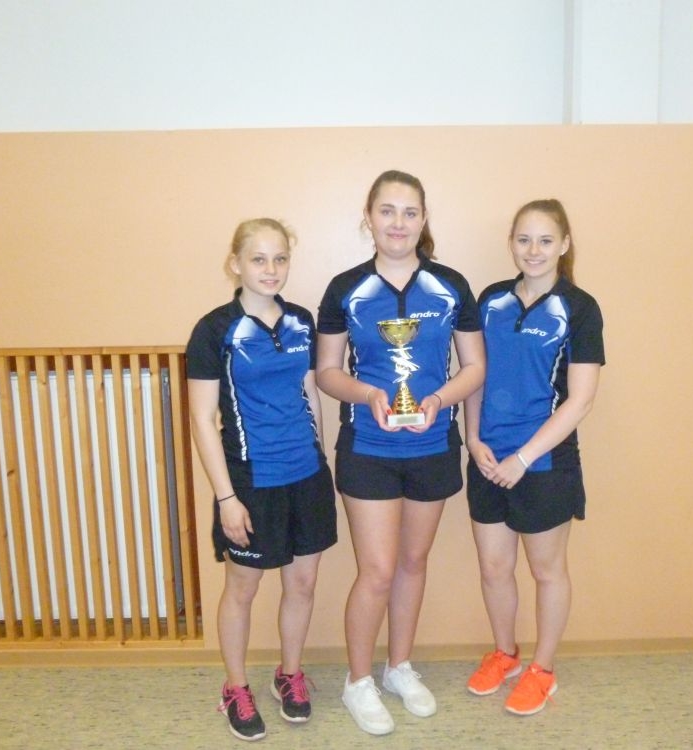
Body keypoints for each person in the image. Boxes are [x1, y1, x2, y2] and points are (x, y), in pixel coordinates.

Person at [316, 170, 485, 735]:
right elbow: (327, 372)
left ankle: (398, 667)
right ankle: (358, 680)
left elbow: (474, 367)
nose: (398, 223)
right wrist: (368, 395)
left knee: (414, 563)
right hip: (368, 447)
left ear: (423, 218)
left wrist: (437, 400)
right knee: (378, 571)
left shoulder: (451, 285)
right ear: (369, 217)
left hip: (433, 444)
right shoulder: (345, 288)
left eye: (410, 212)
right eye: (387, 211)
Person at [186, 218, 337, 742]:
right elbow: (203, 418)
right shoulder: (214, 330)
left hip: (306, 475)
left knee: (302, 583)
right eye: (258, 259)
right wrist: (226, 497)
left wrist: (321, 460)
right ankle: (235, 686)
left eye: (280, 259)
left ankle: (289, 674)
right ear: (236, 264)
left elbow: (309, 392)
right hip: (250, 481)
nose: (271, 269)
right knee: (243, 589)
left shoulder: (301, 321)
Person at [463, 199, 604, 716]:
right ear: (511, 243)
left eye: (546, 240)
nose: (534, 250)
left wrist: (523, 458)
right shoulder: (491, 300)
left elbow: (580, 400)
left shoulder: (580, 308)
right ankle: (506, 654)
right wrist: (472, 438)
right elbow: (475, 375)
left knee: (547, 571)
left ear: (564, 244)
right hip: (487, 458)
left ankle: (543, 669)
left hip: (544, 463)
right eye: (524, 239)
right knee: (494, 567)